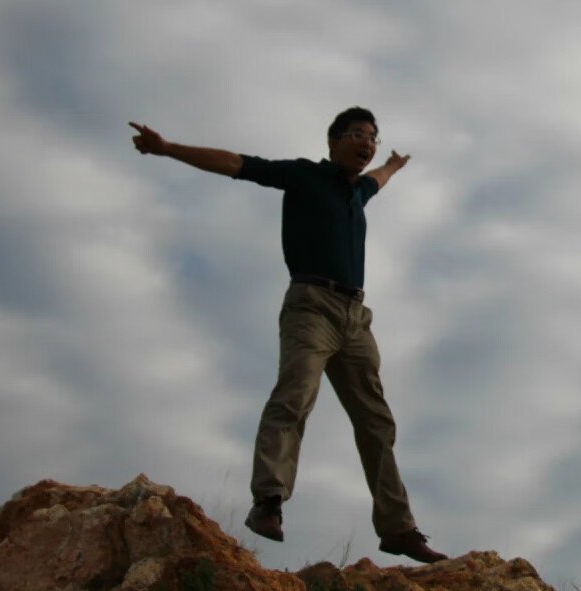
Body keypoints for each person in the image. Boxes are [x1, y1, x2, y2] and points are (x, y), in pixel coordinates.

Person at [128, 108, 447, 564]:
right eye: (358, 134)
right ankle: (269, 502)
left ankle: (398, 529)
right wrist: (167, 149)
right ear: (334, 141)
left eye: (373, 137)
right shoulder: (303, 176)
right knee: (295, 396)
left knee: (377, 423)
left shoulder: (359, 191)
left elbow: (380, 177)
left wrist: (395, 164)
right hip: (311, 307)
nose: (368, 143)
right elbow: (236, 164)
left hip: (355, 317)